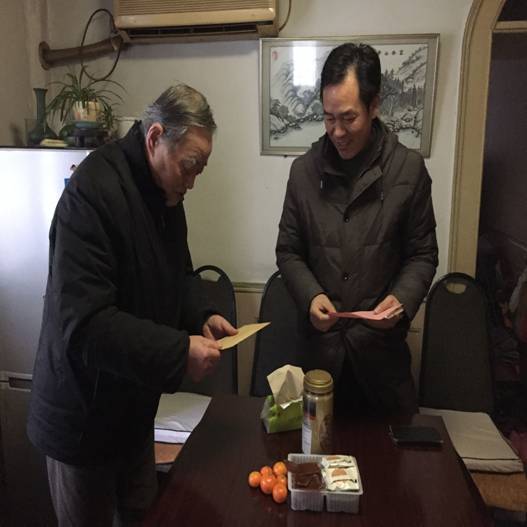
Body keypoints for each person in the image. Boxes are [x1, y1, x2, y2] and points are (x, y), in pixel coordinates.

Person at [27, 84, 237, 526]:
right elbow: (87, 325)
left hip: (134, 414)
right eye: (189, 166)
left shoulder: (166, 194)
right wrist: (179, 351)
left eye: (200, 169)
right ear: (155, 136)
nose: (192, 181)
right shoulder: (92, 192)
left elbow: (179, 274)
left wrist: (201, 316)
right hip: (82, 421)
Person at [276, 43, 438, 416]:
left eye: (348, 118)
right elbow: (288, 250)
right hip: (318, 358)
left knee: (386, 454)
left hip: (381, 361)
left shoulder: (408, 170)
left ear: (374, 105)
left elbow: (423, 254)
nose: (337, 131)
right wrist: (311, 295)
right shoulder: (303, 172)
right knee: (314, 450)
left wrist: (402, 298)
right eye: (328, 118)